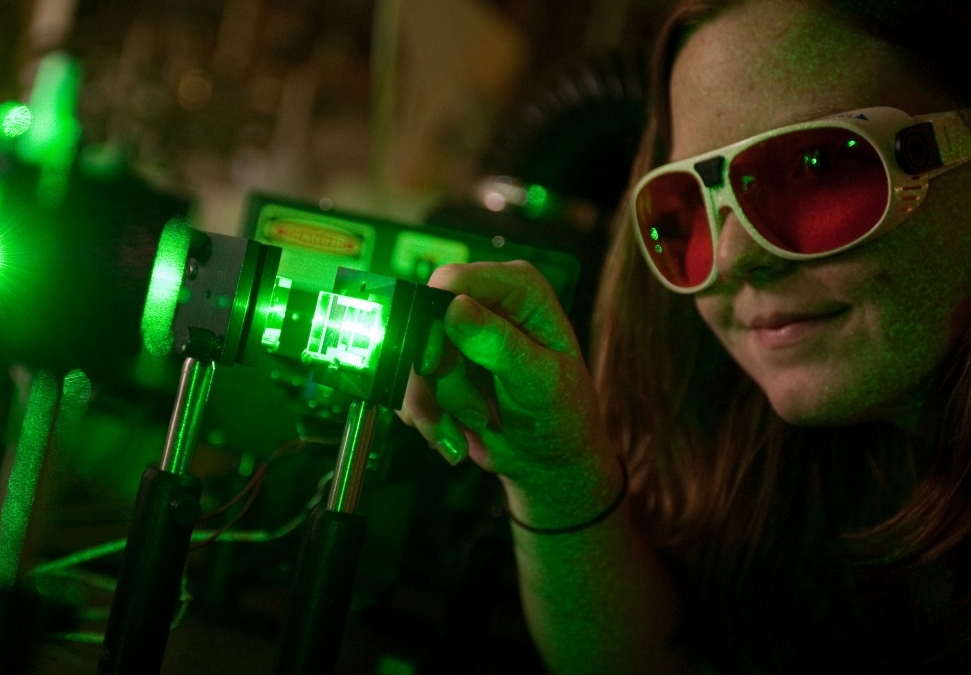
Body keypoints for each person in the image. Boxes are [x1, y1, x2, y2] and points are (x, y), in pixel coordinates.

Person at [399, 0, 971, 672]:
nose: (731, 258)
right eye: (687, 208)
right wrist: (557, 478)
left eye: (819, 168)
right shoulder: (802, 469)